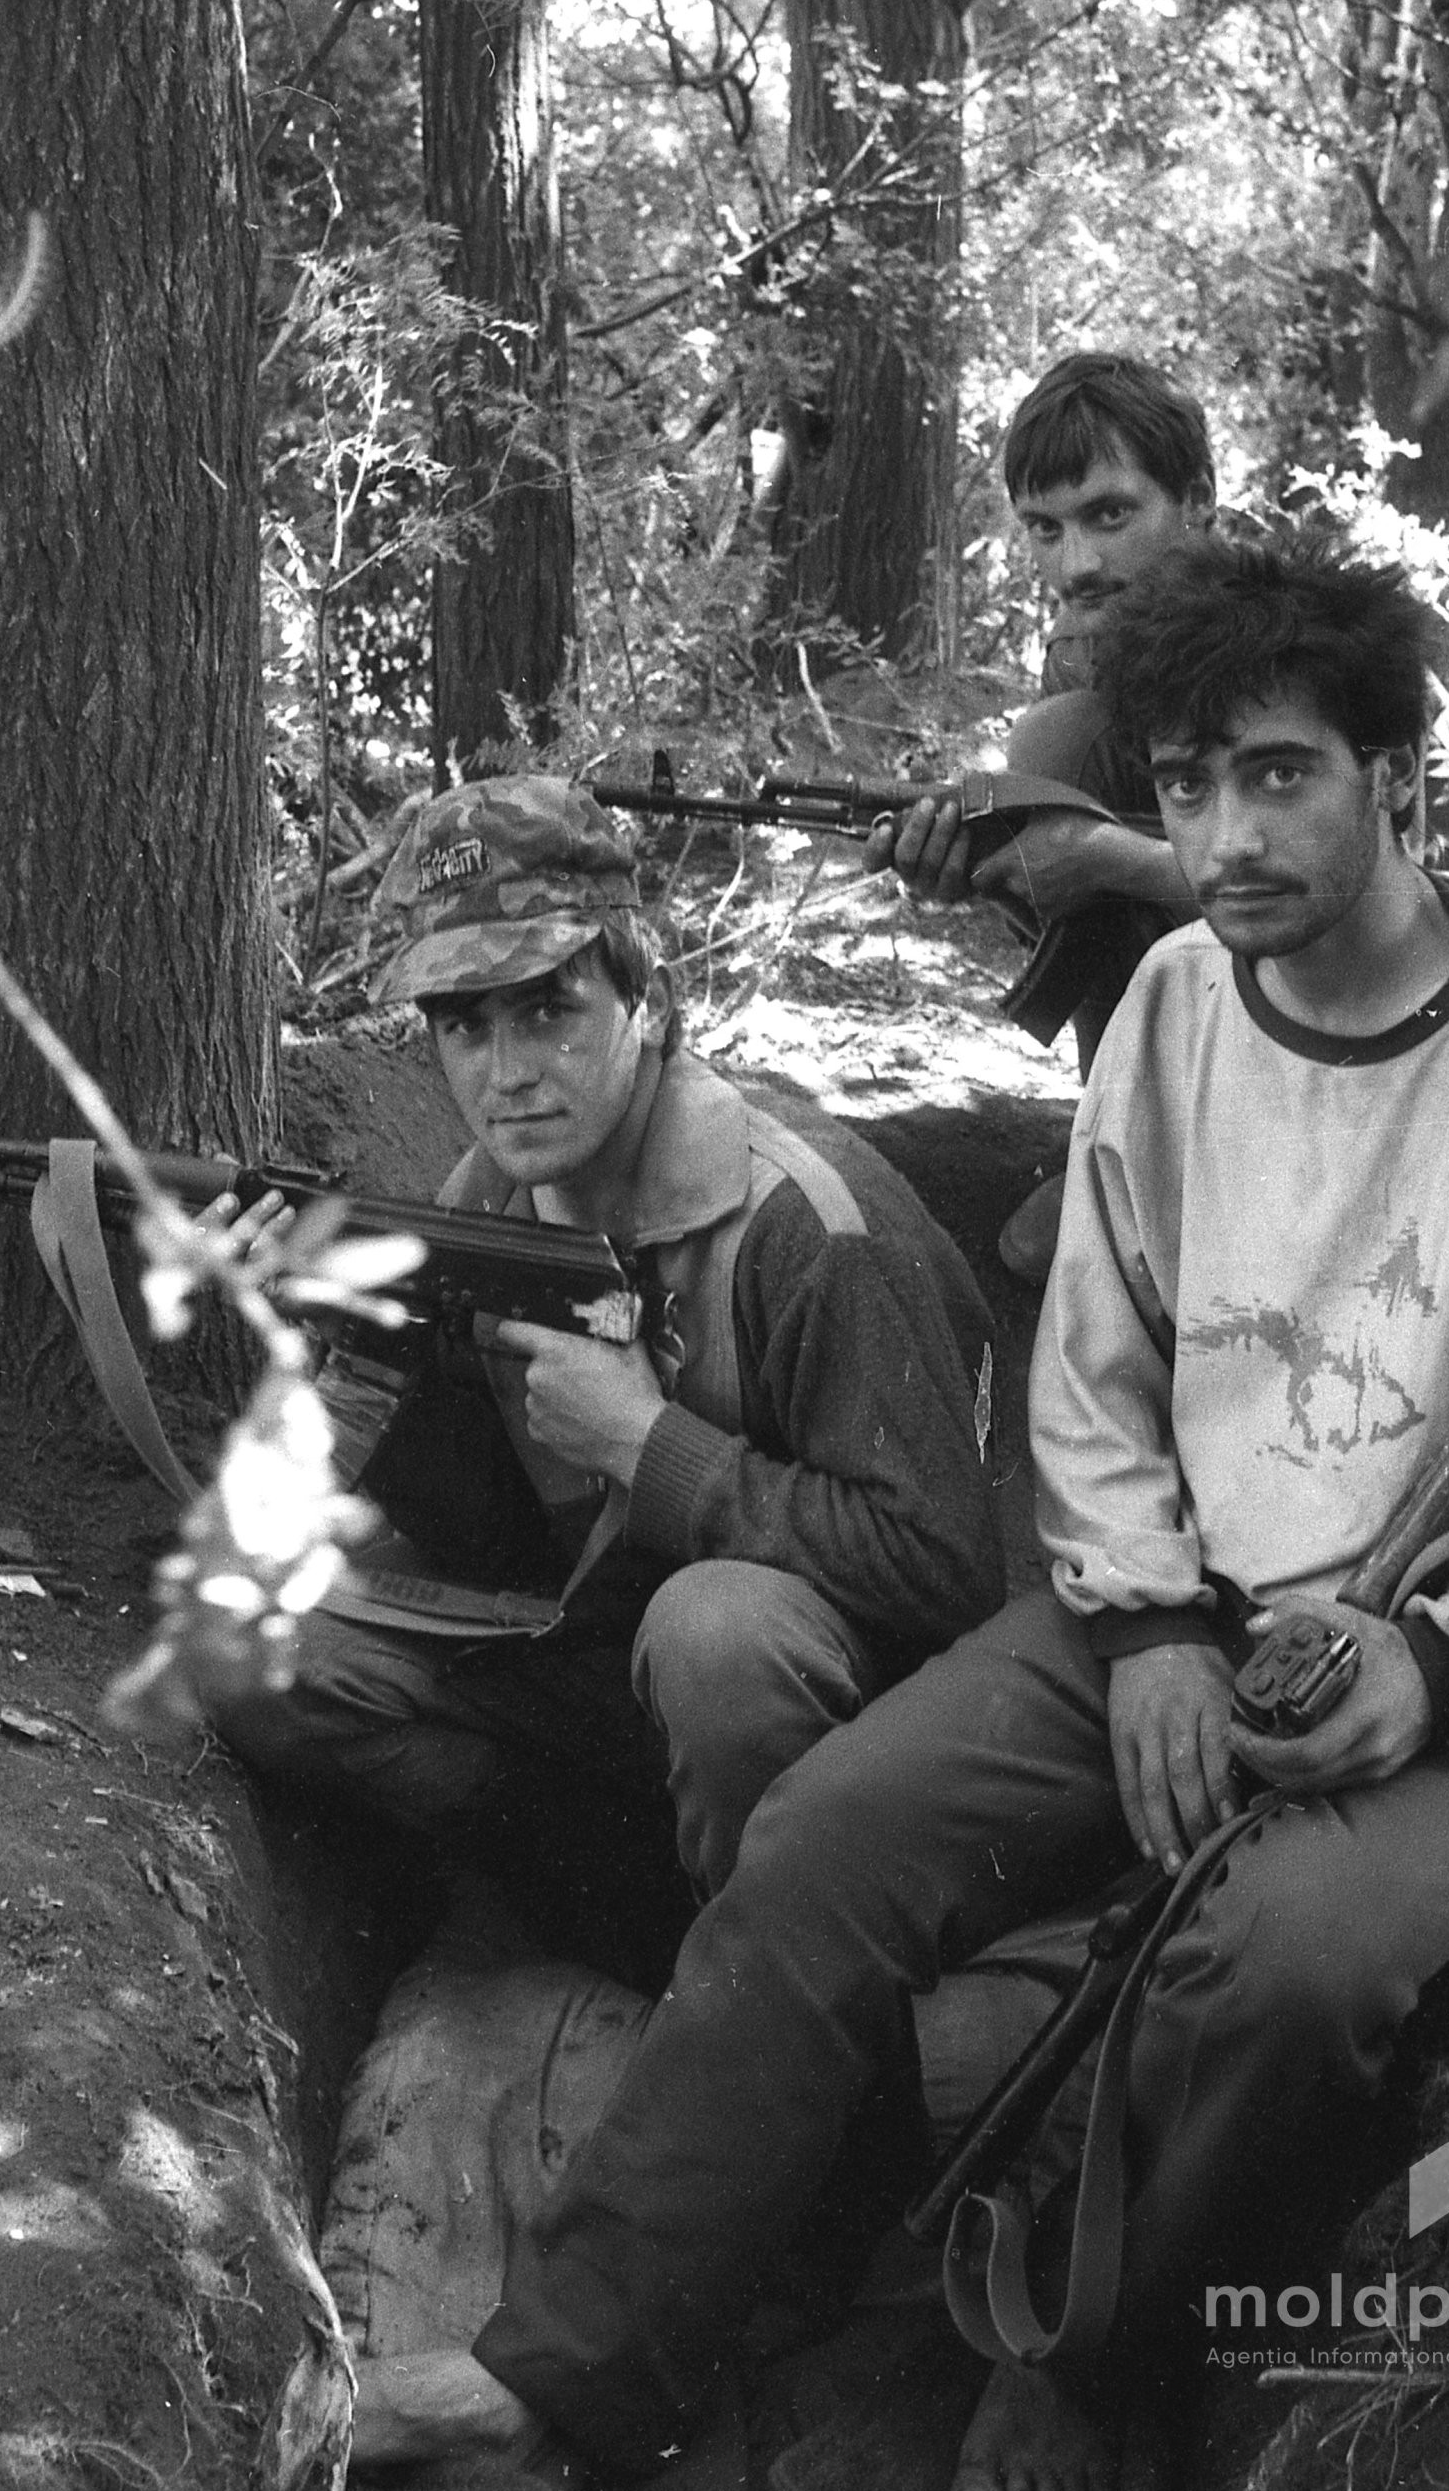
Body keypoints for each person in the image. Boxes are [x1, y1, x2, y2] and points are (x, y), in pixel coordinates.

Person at [350, 541, 1449, 2491]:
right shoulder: (1174, 1002)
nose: (1224, 837)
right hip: (1170, 1609)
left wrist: (1434, 1663)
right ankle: (571, 2357)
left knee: (1275, 1972)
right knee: (827, 1839)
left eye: (1278, 775)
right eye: (1184, 784)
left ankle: (1087, 2355)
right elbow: (1097, 1367)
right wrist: (1149, 1622)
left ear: (1394, 779)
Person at [209, 776, 1006, 1904]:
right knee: (255, 1647)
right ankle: (609, 1905)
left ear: (648, 995)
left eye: (547, 1010)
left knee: (714, 1638)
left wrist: (645, 1442)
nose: (506, 1072)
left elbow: (946, 1574)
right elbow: (460, 1507)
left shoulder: (810, 1228)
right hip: (609, 1671)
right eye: (464, 1025)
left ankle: (774, 1963)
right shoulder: (491, 1193)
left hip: (856, 1735)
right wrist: (331, 1327)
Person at [867, 351, 1449, 1277]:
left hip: (1409, 1027)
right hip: (1248, 970)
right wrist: (1001, 866)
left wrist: (1108, 858)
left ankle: (1281, 1169)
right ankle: (1138, 1134)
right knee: (1053, 754)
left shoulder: (1314, 644)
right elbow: (1102, 896)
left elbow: (1393, 902)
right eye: (1045, 528)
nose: (1078, 565)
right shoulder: (1088, 649)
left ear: (1197, 498)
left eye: (1110, 515)